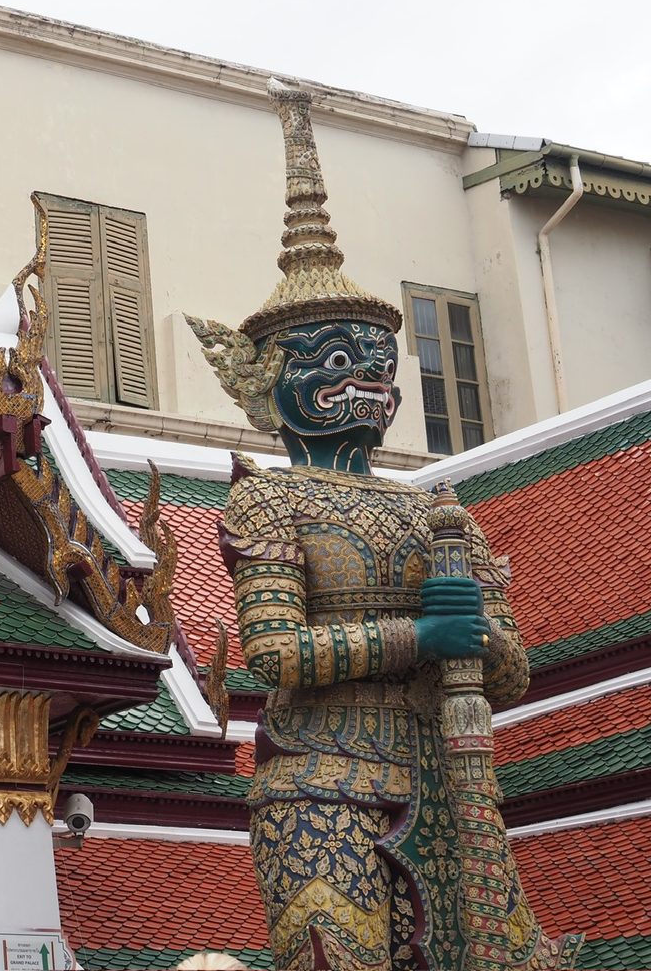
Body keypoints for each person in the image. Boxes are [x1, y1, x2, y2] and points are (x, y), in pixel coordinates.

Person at [187, 82, 578, 971]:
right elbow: (276, 654)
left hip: (449, 783)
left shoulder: (436, 511)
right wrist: (422, 634)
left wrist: (474, 633)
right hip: (319, 785)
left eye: (373, 359)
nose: (360, 377)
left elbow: (511, 667)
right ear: (267, 383)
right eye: (329, 360)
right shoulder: (269, 499)